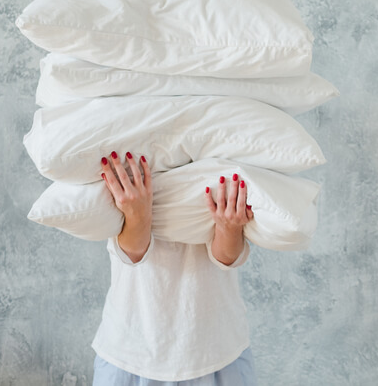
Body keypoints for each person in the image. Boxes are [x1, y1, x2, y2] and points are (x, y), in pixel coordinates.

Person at [90, 150, 258, 385]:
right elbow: (132, 253)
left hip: (216, 351)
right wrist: (137, 217)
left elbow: (226, 258)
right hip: (131, 352)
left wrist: (229, 228)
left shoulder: (220, 153)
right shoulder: (135, 145)